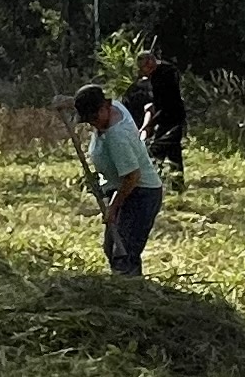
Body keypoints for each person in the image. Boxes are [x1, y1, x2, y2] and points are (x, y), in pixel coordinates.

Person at [68, 82, 168, 277]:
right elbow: (90, 98)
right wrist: (67, 101)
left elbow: (132, 177)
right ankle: (126, 286)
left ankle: (131, 295)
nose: (92, 123)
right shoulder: (114, 107)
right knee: (111, 246)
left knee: (124, 253)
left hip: (141, 194)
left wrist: (113, 208)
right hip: (122, 189)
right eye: (88, 120)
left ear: (105, 107)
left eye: (94, 117)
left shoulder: (117, 136)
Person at [124, 47, 189, 187]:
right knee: (173, 151)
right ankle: (177, 183)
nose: (143, 72)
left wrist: (149, 124)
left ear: (150, 63)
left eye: (143, 68)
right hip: (167, 115)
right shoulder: (161, 72)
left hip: (171, 116)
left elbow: (165, 102)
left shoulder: (165, 74)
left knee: (156, 150)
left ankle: (152, 181)